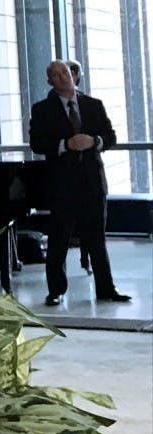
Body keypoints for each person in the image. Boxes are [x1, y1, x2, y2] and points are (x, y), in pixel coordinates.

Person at [29, 60, 130, 305]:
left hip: (93, 182)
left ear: (73, 75)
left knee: (96, 238)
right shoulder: (42, 109)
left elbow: (111, 137)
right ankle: (56, 290)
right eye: (55, 75)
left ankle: (106, 288)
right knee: (59, 240)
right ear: (50, 82)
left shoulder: (93, 105)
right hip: (61, 185)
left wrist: (93, 141)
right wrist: (65, 145)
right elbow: (37, 143)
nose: (62, 77)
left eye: (64, 72)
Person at [65, 59, 92, 274]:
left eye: (73, 73)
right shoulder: (49, 105)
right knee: (61, 232)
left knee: (91, 227)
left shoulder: (89, 102)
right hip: (65, 177)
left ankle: (88, 260)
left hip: (89, 176)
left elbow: (108, 135)